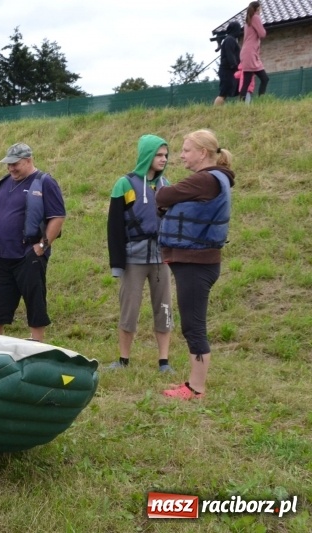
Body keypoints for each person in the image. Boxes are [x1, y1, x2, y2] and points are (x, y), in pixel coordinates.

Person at [157, 129, 234, 400]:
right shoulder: (212, 180)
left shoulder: (205, 180)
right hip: (198, 261)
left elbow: (163, 197)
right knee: (193, 322)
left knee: (193, 325)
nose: (181, 155)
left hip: (196, 263)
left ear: (203, 153)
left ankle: (196, 389)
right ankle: (194, 383)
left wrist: (169, 202)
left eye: (187, 150)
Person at [0, 143, 66, 342]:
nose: (10, 168)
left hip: (27, 255)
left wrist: (43, 246)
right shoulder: (2, 184)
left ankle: (36, 343)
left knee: (34, 300)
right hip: (0, 256)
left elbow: (58, 217)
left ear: (28, 160)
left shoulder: (44, 182)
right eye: (8, 164)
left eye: (15, 164)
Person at [107, 135, 173, 372]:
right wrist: (117, 264)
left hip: (161, 259)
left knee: (164, 309)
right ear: (147, 155)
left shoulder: (167, 185)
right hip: (133, 259)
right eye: (158, 154)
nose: (163, 159)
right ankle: (123, 360)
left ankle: (164, 362)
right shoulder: (124, 184)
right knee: (129, 310)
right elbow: (114, 227)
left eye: (165, 155)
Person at [239, 1, 269, 100]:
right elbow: (262, 34)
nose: (261, 10)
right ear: (257, 9)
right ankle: (261, 100)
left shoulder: (248, 20)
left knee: (247, 81)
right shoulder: (255, 17)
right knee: (264, 79)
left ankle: (241, 103)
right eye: (261, 8)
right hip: (250, 53)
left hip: (247, 53)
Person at [213, 21, 242, 106]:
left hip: (232, 70)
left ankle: (241, 108)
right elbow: (230, 54)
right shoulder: (229, 40)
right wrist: (235, 66)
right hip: (227, 71)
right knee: (223, 93)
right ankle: (215, 111)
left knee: (240, 89)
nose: (239, 31)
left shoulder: (231, 39)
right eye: (238, 29)